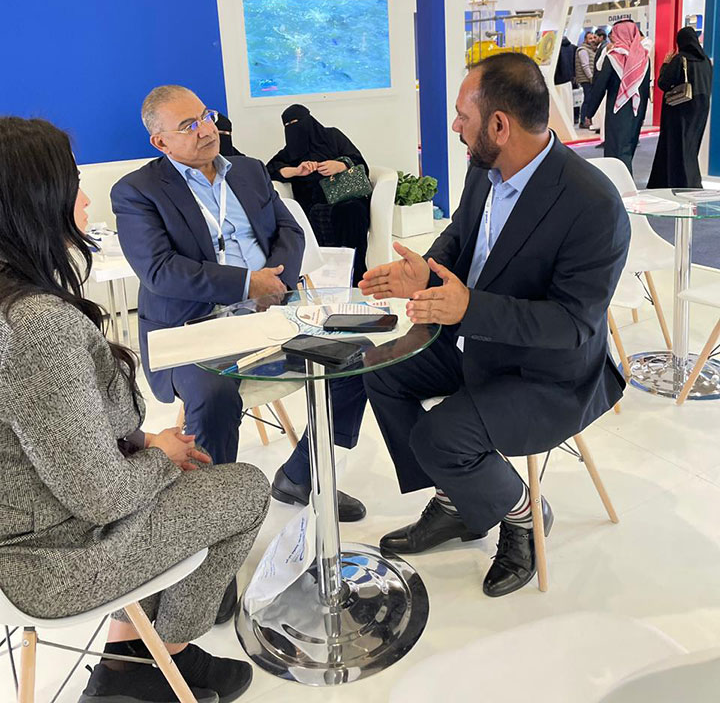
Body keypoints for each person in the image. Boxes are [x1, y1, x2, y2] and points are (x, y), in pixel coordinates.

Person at [0, 116, 269, 703]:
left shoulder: (18, 308)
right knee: (245, 487)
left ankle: (129, 661)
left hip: (36, 525)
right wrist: (161, 456)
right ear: (36, 200)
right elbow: (102, 497)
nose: (85, 198)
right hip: (51, 560)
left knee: (190, 476)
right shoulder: (36, 326)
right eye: (73, 183)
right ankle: (160, 658)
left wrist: (141, 444)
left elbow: (38, 440)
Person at [359, 53, 630, 598]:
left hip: (548, 373)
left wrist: (468, 310)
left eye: (463, 116)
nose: (454, 126)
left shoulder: (593, 205)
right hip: (477, 342)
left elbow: (573, 324)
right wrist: (428, 271)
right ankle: (460, 498)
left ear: (499, 125)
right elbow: (462, 235)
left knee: (438, 437)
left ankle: (524, 515)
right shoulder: (485, 169)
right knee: (378, 370)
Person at [111, 86, 367, 534]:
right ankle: (212, 520)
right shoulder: (137, 191)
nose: (206, 130)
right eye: (188, 126)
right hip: (194, 325)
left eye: (206, 116)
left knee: (355, 360)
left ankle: (303, 474)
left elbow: (289, 231)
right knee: (214, 395)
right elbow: (159, 271)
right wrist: (248, 283)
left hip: (272, 313)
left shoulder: (248, 170)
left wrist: (275, 282)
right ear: (161, 141)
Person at [267, 105, 371, 286]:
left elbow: (359, 161)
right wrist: (297, 171)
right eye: (288, 125)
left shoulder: (333, 137)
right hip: (313, 203)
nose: (294, 128)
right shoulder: (290, 152)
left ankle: (356, 273)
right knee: (320, 213)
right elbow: (270, 170)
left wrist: (339, 165)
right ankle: (333, 277)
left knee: (352, 211)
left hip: (346, 197)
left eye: (297, 122)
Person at [648, 26, 713, 189]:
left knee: (677, 146)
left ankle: (679, 182)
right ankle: (691, 181)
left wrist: (665, 64)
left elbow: (664, 83)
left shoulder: (680, 59)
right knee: (691, 145)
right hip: (701, 107)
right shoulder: (705, 60)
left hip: (680, 107)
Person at [586, 19, 651, 175]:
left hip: (617, 111)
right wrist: (642, 114)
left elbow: (599, 86)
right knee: (628, 148)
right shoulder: (643, 58)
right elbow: (644, 91)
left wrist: (589, 112)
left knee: (615, 151)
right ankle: (625, 181)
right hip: (636, 111)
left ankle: (619, 184)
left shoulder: (613, 57)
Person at [575, 31, 599, 129]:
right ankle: (583, 121)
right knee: (588, 100)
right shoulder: (583, 50)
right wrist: (591, 78)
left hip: (589, 79)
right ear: (585, 40)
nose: (592, 40)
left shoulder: (591, 50)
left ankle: (587, 120)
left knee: (589, 99)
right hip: (586, 79)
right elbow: (585, 66)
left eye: (593, 38)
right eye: (590, 38)